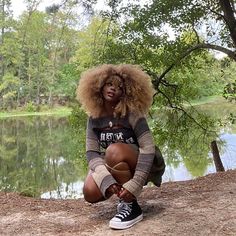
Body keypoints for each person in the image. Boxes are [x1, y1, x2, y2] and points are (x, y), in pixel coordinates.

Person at [76, 64, 165, 230]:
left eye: (120, 87)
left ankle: (131, 206)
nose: (113, 89)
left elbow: (148, 147)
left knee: (113, 151)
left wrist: (136, 184)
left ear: (127, 92)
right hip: (113, 161)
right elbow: (92, 153)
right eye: (109, 84)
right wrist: (106, 179)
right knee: (90, 191)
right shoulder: (94, 117)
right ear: (99, 86)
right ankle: (123, 198)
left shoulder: (132, 112)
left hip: (144, 162)